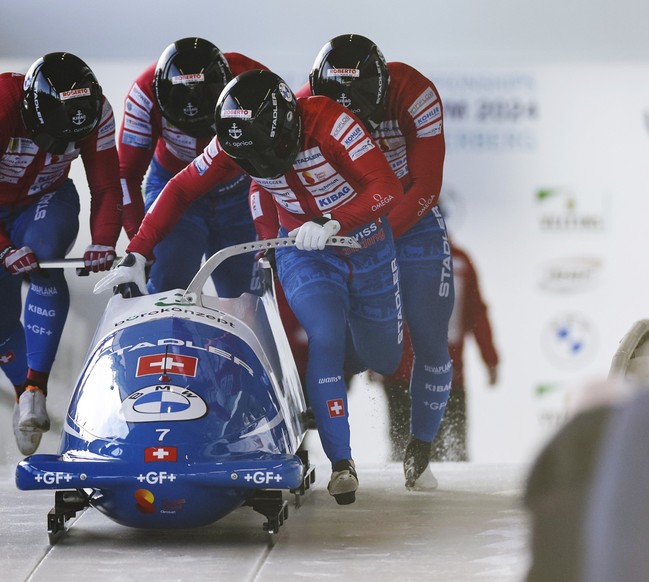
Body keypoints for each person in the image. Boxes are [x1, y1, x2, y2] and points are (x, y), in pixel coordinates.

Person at [96, 69, 405, 506]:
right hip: (303, 246)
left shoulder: (332, 123)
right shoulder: (231, 141)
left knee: (383, 356)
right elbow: (180, 188)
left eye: (269, 153)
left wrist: (336, 220)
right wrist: (139, 252)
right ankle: (341, 463)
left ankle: (331, 379)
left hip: (364, 242)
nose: (262, 167)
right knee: (325, 334)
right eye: (251, 161)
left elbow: (386, 187)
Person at [0, 52, 122, 456]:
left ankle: (35, 387)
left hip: (45, 198)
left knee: (44, 257)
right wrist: (1, 248)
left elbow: (107, 186)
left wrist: (103, 241)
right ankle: (22, 391)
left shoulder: (96, 111)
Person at [304, 34, 454, 489]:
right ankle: (330, 436)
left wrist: (378, 232)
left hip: (407, 219)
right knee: (337, 332)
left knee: (428, 331)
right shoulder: (302, 106)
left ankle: (421, 446)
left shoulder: (416, 94)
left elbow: (427, 184)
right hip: (345, 223)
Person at [118, 37, 267, 297]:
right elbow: (126, 175)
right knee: (168, 285)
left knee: (244, 297)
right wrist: (139, 248)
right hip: (175, 188)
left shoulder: (254, 85)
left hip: (240, 193)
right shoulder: (144, 94)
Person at [374, 239, 499, 462]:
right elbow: (380, 308)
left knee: (452, 448)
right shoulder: (394, 256)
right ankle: (404, 486)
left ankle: (451, 486)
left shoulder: (459, 259)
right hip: (405, 372)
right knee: (404, 445)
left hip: (445, 373)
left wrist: (490, 357)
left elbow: (475, 312)